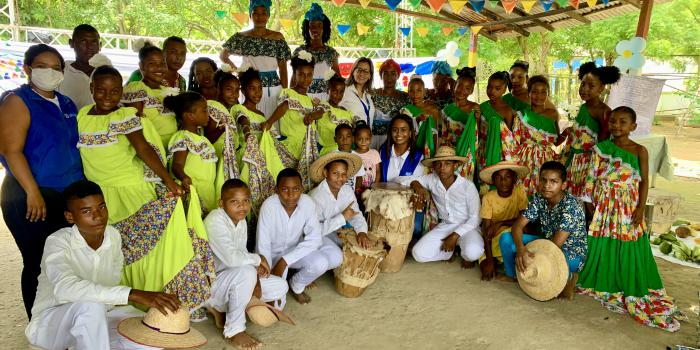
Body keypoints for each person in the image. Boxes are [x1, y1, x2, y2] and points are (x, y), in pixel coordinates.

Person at [25, 180, 181, 350]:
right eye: (86, 211)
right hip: (54, 323)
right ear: (70, 217)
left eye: (101, 207)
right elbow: (65, 289)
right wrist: (132, 294)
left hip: (103, 314)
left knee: (153, 337)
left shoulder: (113, 236)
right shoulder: (58, 242)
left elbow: (112, 280)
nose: (98, 216)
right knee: (90, 307)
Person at [577, 107, 685, 331]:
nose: (617, 125)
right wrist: (589, 205)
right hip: (605, 205)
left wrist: (640, 209)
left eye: (623, 122)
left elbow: (644, 181)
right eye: (613, 121)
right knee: (603, 239)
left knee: (628, 239)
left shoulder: (640, 151)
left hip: (628, 205)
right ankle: (606, 278)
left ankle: (625, 278)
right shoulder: (601, 149)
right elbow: (591, 179)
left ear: (633, 127)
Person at [0, 44, 84, 318]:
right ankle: (38, 325)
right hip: (29, 194)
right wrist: (32, 191)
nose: (50, 72)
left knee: (64, 260)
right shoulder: (18, 101)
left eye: (56, 67)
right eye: (42, 66)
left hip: (65, 193)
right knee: (37, 262)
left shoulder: (66, 103)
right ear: (28, 69)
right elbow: (11, 150)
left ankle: (60, 320)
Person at [77, 64, 181, 225]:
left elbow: (143, 148)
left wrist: (167, 179)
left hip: (128, 187)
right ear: (91, 88)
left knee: (144, 237)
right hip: (101, 189)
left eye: (115, 91)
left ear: (121, 91)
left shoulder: (124, 115)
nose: (107, 96)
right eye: (101, 90)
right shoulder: (83, 114)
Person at [204, 179, 288, 349]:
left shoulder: (240, 221)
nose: (241, 206)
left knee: (281, 285)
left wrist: (256, 279)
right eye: (234, 202)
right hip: (211, 285)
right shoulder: (215, 220)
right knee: (247, 274)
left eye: (246, 201)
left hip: (232, 278)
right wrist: (258, 259)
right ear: (221, 203)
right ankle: (234, 330)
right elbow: (232, 259)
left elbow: (241, 255)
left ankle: (223, 309)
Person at [499, 161, 587, 300]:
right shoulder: (539, 198)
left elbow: (555, 246)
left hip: (569, 252)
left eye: (554, 181)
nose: (547, 185)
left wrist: (531, 256)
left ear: (563, 185)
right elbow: (517, 226)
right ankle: (515, 275)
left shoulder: (571, 207)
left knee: (548, 267)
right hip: (546, 243)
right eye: (544, 180)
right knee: (506, 239)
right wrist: (521, 249)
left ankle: (568, 278)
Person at [397, 146, 483, 264]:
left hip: (467, 227)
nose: (442, 168)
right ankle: (449, 252)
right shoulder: (432, 179)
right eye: (438, 164)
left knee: (473, 253)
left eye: (447, 164)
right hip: (446, 226)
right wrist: (417, 186)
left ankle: (463, 251)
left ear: (455, 166)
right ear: (434, 166)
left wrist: (454, 236)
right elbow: (401, 179)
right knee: (418, 254)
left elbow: (476, 218)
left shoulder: (468, 186)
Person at [256, 169, 323, 305]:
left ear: (302, 189)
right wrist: (270, 276)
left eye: (296, 189)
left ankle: (296, 286)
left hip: (294, 252)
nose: (291, 195)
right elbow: (263, 244)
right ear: (276, 190)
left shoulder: (308, 203)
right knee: (275, 305)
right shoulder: (269, 206)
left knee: (321, 263)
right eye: (285, 189)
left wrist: (285, 261)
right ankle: (276, 286)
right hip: (269, 257)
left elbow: (315, 239)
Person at [220, 0, 291, 117]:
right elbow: (223, 55)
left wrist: (284, 91)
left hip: (274, 90)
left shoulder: (277, 37)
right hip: (250, 90)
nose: (260, 17)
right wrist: (239, 72)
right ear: (250, 15)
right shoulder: (241, 37)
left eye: (264, 13)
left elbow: (283, 68)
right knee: (251, 122)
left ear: (268, 15)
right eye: (255, 13)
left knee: (273, 126)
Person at [308, 153, 368, 286]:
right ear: (325, 173)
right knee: (335, 258)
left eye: (343, 174)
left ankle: (320, 264)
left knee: (353, 249)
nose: (340, 178)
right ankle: (306, 271)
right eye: (335, 173)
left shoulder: (347, 190)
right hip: (311, 236)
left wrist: (362, 232)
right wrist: (342, 218)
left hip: (333, 231)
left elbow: (356, 213)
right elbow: (314, 232)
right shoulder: (316, 197)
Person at [566, 62, 620, 200]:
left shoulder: (604, 112)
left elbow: (603, 145)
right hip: (574, 161)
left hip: (588, 164)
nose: (584, 89)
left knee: (583, 200)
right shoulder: (584, 107)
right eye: (583, 84)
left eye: (591, 86)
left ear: (601, 88)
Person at [263, 51, 322, 160]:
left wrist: (314, 114)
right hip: (291, 146)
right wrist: (269, 122)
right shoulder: (288, 93)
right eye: (301, 74)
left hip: (307, 147)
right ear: (294, 75)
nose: (306, 78)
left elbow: (320, 113)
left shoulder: (310, 100)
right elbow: (285, 106)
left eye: (309, 75)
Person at [165, 92, 218, 212]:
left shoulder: (202, 139)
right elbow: (177, 165)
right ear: (190, 116)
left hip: (207, 191)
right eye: (204, 111)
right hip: (192, 189)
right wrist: (184, 178)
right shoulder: (183, 137)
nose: (208, 114)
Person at [476, 161, 529, 281]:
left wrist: (501, 223)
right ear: (493, 181)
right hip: (495, 238)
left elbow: (525, 220)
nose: (503, 181)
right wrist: (489, 261)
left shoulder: (519, 191)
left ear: (514, 179)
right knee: (486, 269)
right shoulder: (488, 198)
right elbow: (486, 231)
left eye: (507, 177)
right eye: (498, 178)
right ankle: (497, 260)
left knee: (525, 229)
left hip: (514, 232)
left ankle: (507, 261)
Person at [122, 44, 179, 149]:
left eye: (162, 63)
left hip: (172, 146)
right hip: (152, 147)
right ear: (141, 66)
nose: (159, 67)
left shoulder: (166, 90)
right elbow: (136, 126)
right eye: (152, 63)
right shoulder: (137, 89)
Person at [518, 75, 561, 198]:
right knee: (525, 191)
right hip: (526, 159)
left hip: (545, 160)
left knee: (544, 189)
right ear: (529, 93)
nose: (539, 96)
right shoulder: (522, 114)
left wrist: (569, 133)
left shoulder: (552, 114)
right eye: (535, 92)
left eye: (543, 92)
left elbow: (556, 141)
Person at [293, 3, 340, 101]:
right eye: (312, 26)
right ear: (307, 28)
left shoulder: (331, 52)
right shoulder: (300, 51)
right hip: (303, 96)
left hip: (324, 98)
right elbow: (294, 78)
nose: (315, 29)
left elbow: (337, 78)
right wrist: (293, 97)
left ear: (324, 28)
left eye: (319, 26)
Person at [440, 66, 480, 182]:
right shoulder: (446, 109)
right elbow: (442, 134)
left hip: (466, 154)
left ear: (471, 91)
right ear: (455, 85)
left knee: (463, 184)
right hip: (449, 153)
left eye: (467, 88)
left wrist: (477, 119)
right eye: (460, 86)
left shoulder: (474, 108)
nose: (462, 90)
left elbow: (478, 134)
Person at [480, 71, 520, 168]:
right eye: (489, 87)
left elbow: (509, 138)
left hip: (499, 154)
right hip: (483, 150)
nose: (492, 91)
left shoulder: (508, 111)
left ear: (504, 90)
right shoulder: (482, 106)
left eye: (497, 88)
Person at [58, 24, 101, 109]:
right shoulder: (61, 72)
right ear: (71, 43)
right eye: (83, 42)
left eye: (94, 42)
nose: (89, 47)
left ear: (100, 46)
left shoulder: (107, 73)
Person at [372, 59, 409, 148]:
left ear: (398, 76)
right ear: (381, 76)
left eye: (393, 73)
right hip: (373, 140)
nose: (389, 77)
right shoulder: (372, 94)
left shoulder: (405, 97)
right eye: (386, 73)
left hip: (396, 141)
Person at [402, 76, 441, 157]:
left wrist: (437, 151)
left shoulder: (433, 109)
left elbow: (437, 132)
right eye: (411, 91)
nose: (415, 94)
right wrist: (417, 119)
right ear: (408, 93)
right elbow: (405, 130)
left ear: (424, 92)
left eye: (419, 90)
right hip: (414, 149)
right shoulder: (406, 110)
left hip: (432, 149)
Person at [380, 114, 425, 182]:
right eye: (395, 130)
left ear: (410, 133)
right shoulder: (383, 151)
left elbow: (418, 182)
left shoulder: (418, 156)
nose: (398, 134)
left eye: (403, 130)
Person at [317, 74, 353, 156]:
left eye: (341, 92)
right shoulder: (322, 107)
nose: (338, 95)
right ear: (328, 90)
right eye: (334, 91)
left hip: (345, 152)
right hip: (327, 153)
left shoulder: (346, 112)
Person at [340, 57, 375, 132]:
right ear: (353, 72)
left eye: (366, 71)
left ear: (370, 76)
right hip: (350, 139)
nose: (362, 73)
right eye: (359, 70)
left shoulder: (368, 95)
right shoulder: (344, 91)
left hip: (366, 140)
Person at [332, 124, 366, 192]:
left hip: (351, 194)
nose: (345, 140)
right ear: (335, 139)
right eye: (341, 137)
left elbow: (359, 177)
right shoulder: (332, 157)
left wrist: (356, 192)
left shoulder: (357, 158)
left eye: (348, 136)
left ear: (353, 139)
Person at [353, 121, 381, 194]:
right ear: (354, 139)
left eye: (367, 139)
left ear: (371, 138)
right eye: (360, 139)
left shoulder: (374, 153)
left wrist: (375, 185)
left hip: (372, 189)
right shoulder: (352, 154)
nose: (363, 142)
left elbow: (378, 171)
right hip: (357, 190)